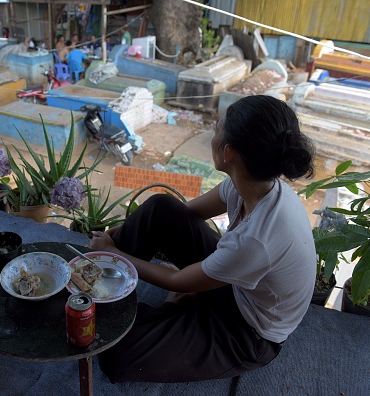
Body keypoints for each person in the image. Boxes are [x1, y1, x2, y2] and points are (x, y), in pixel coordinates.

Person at [90, 95, 317, 383]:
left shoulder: (256, 239)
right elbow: (181, 216)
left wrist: (116, 254)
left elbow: (176, 280)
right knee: (160, 207)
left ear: (229, 152)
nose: (212, 134)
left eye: (217, 130)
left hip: (247, 332)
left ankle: (169, 306)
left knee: (116, 354)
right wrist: (129, 233)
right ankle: (104, 282)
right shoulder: (251, 185)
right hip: (237, 283)